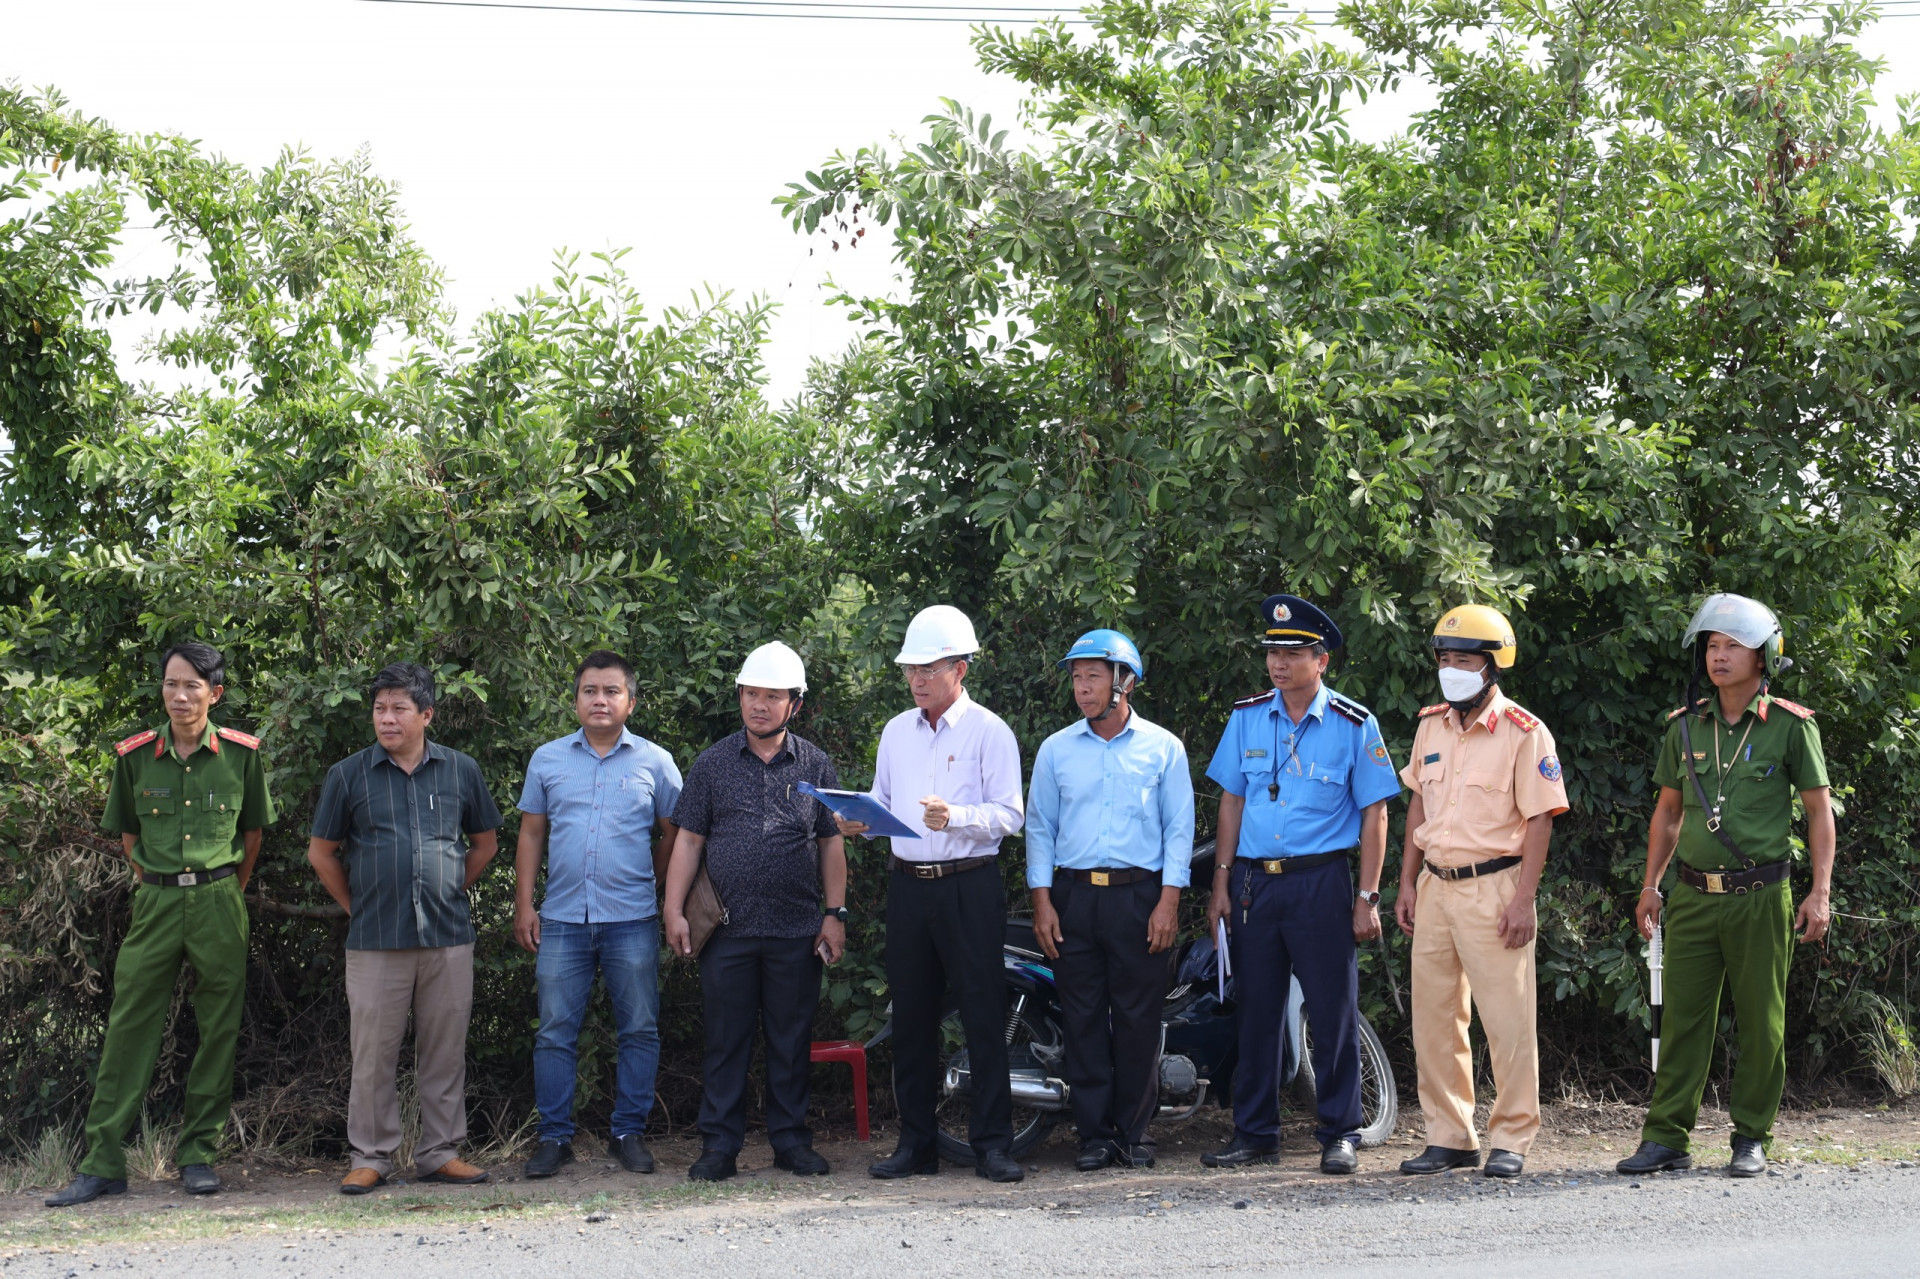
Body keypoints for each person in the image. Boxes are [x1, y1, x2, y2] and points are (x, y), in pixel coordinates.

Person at [46, 643, 275, 1208]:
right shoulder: (134, 757)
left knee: (218, 1028)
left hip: (221, 901)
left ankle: (198, 1155)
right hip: (155, 901)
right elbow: (128, 839)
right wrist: (162, 883)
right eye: (171, 684)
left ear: (214, 694)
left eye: (192, 685)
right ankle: (103, 1162)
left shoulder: (241, 756)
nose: (179, 695)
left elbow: (252, 837)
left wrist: (226, 890)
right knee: (130, 1027)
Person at [1617, 594, 1834, 1179]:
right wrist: (1650, 886)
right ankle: (1666, 1138)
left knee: (1762, 1020)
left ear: (1764, 655)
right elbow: (1666, 815)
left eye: (1732, 645)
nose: (1719, 655)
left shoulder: (1791, 726)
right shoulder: (1684, 728)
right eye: (1712, 645)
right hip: (1690, 896)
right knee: (1683, 1019)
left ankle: (1751, 1137)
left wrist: (1820, 892)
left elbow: (1819, 813)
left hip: (1762, 897)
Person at [1202, 595, 1398, 1176]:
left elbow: (1376, 815)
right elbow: (1232, 799)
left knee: (1331, 1010)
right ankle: (1255, 1131)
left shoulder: (1354, 724)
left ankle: (1341, 1131)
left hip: (1321, 884)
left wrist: (1366, 897)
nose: (1278, 662)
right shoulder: (1247, 717)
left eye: (1292, 652)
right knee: (1255, 1011)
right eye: (1272, 651)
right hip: (1255, 885)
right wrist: (1220, 881)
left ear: (1322, 661)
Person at [836, 604, 1027, 1184]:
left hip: (969, 886)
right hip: (909, 887)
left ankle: (993, 1145)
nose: (917, 679)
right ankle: (915, 1144)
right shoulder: (896, 731)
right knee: (912, 1017)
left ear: (960, 669)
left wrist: (957, 817)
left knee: (981, 1014)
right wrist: (860, 821)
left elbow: (1011, 815)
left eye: (928, 667)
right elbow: (885, 802)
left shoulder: (990, 730)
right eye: (910, 669)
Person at [307, 663, 502, 1196]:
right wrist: (358, 905)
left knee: (444, 1050)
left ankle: (440, 1153)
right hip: (374, 940)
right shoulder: (347, 775)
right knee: (372, 1053)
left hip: (447, 936)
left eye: (398, 708)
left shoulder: (461, 770)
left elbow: (485, 843)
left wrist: (452, 887)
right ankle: (370, 1156)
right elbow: (321, 854)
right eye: (379, 708)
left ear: (427, 714)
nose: (386, 718)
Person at [660, 642, 846, 1182]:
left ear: (796, 704)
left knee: (790, 1041)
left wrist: (834, 914)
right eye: (750, 694)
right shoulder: (713, 762)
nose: (758, 705)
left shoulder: (814, 762)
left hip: (796, 930)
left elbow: (831, 843)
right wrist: (673, 910)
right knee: (725, 1041)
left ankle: (791, 1143)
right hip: (727, 931)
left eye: (771, 696)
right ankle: (719, 1147)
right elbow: (688, 842)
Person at [1395, 605, 1568, 1180]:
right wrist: (1406, 883)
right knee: (1436, 1020)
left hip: (1495, 886)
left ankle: (1512, 1136)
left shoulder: (1525, 731)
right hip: (1435, 886)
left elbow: (1541, 819)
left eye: (1463, 660)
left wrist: (1524, 900)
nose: (1451, 670)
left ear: (1492, 667)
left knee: (1507, 1020)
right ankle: (1450, 1137)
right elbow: (1418, 800)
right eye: (1444, 659)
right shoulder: (1430, 725)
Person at [1026, 629, 1194, 1171]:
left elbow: (1178, 830)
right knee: (1082, 1018)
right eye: (1076, 677)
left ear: (1125, 682)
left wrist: (1168, 902)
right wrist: (1043, 902)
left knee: (1138, 1018)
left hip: (1139, 899)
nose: (1081, 688)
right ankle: (1094, 1135)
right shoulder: (1056, 749)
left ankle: (1134, 1134)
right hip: (1074, 897)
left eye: (1093, 676)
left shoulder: (1164, 748)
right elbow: (1039, 830)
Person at [514, 650, 682, 1178]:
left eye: (611, 691)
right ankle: (554, 1138)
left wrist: (654, 884)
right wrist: (524, 903)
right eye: (590, 691)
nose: (600, 700)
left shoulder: (655, 761)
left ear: (631, 701)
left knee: (639, 1028)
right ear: (575, 700)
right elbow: (532, 832)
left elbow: (675, 835)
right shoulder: (547, 759)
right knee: (554, 1032)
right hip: (562, 917)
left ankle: (628, 1133)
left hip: (632, 918)